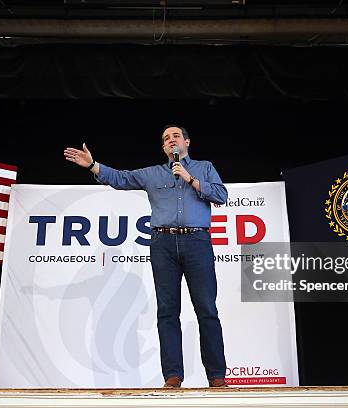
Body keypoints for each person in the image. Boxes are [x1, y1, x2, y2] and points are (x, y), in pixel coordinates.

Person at [64, 125, 228, 388]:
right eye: (165, 138)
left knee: (207, 309)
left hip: (197, 241)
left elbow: (221, 195)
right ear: (163, 148)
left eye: (175, 136)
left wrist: (190, 179)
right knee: (167, 311)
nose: (170, 140)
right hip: (162, 243)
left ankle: (217, 376)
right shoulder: (152, 174)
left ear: (187, 141)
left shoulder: (204, 167)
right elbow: (120, 178)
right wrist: (93, 165)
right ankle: (173, 376)